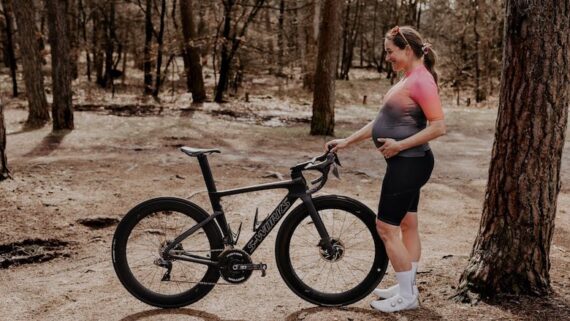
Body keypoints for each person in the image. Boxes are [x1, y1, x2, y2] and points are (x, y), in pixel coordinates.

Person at [326, 25, 446, 313]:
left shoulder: (421, 81)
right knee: (407, 225)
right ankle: (408, 286)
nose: (388, 57)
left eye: (390, 52)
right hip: (407, 163)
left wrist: (400, 146)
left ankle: (407, 296)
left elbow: (439, 127)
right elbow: (379, 122)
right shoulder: (408, 79)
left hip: (410, 163)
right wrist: (347, 141)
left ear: (407, 50)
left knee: (386, 227)